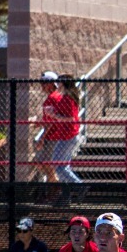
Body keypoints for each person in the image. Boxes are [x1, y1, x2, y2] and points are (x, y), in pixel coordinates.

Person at [35, 72, 83, 204]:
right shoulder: (65, 97)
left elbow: (71, 119)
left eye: (59, 82)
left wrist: (53, 115)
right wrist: (52, 115)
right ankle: (66, 195)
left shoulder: (67, 98)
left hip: (68, 136)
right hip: (65, 135)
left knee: (58, 165)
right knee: (62, 166)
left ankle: (79, 186)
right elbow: (60, 115)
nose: (57, 84)